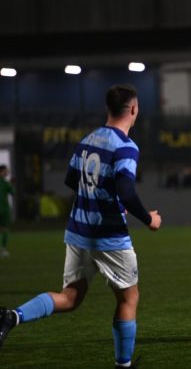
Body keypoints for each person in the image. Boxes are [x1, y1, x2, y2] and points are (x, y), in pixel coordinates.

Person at [0, 84, 162, 368]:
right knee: (129, 298)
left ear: (107, 109)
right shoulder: (126, 146)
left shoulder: (88, 139)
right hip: (109, 236)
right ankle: (123, 365)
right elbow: (126, 189)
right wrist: (149, 219)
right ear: (134, 109)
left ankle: (11, 316)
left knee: (70, 297)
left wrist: (102, 195)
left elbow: (72, 182)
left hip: (78, 232)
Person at [0, 165, 15, 258]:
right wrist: (12, 184)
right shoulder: (5, 183)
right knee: (4, 230)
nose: (7, 173)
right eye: (5, 171)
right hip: (4, 209)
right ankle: (3, 250)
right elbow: (13, 192)